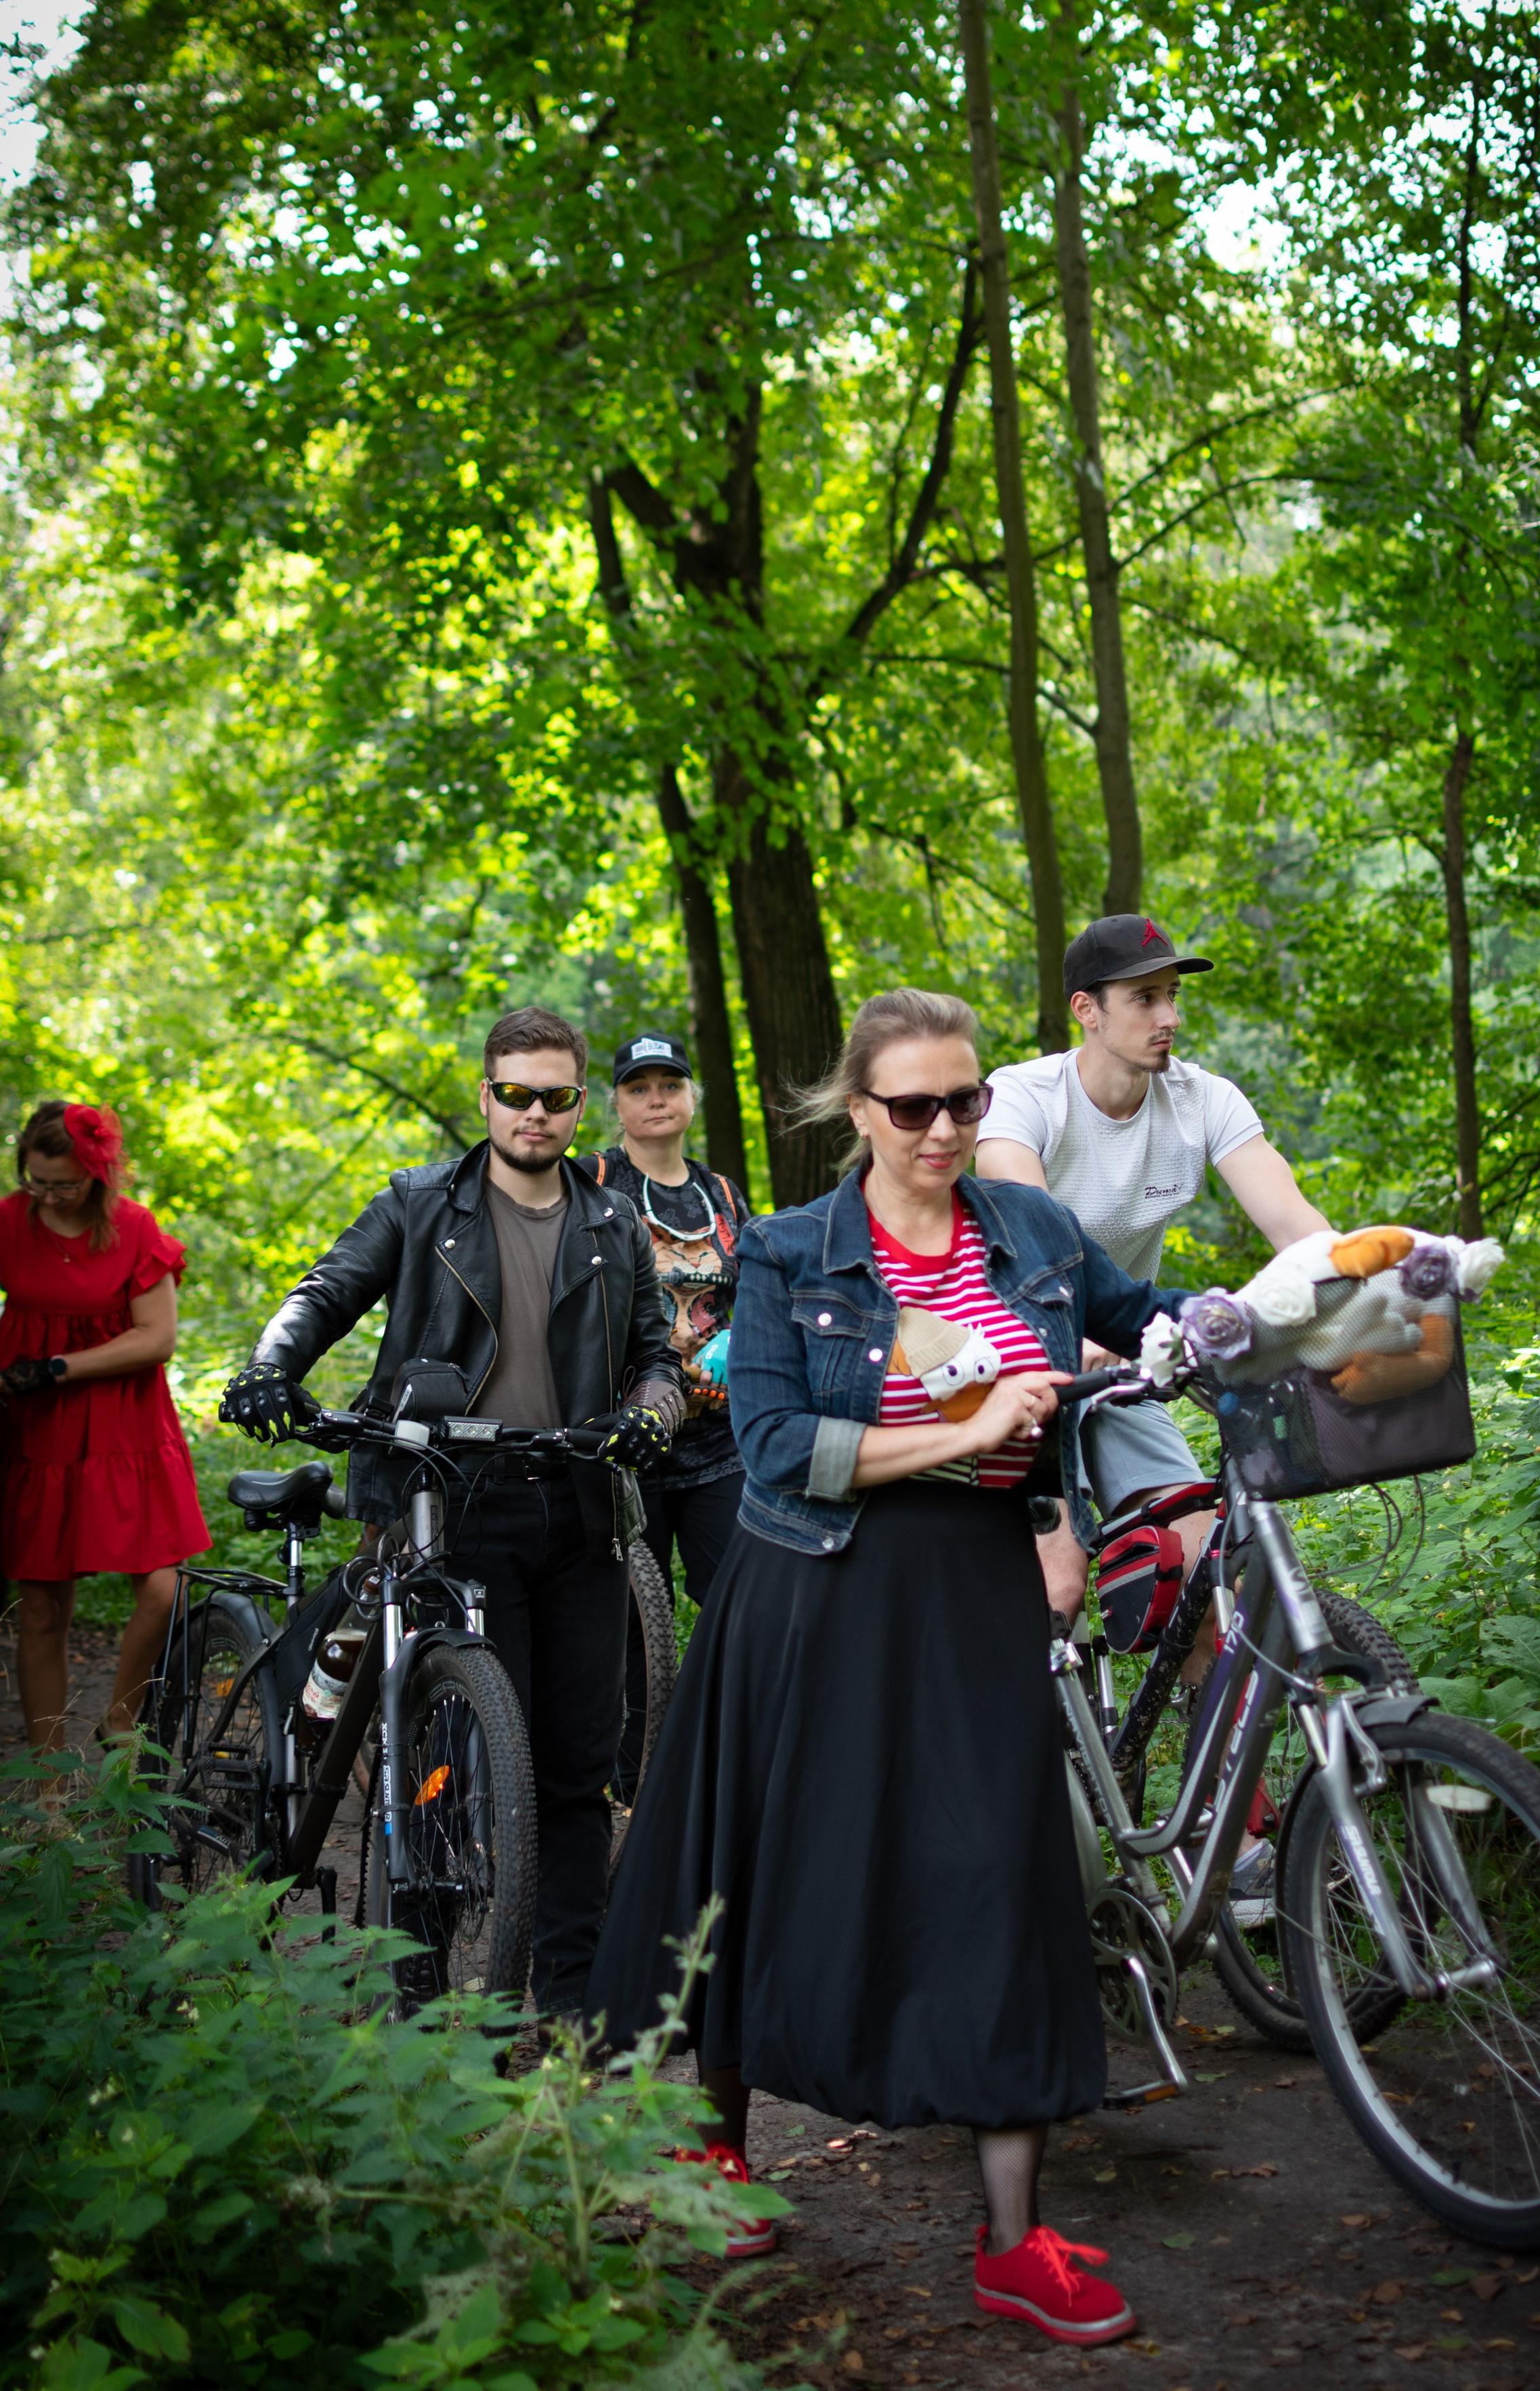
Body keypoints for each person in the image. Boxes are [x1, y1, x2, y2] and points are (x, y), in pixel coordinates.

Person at [589, 988, 1190, 2348]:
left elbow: (1134, 1314)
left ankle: (1010, 2237)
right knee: (762, 1866)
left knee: (998, 1879)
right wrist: (959, 1441)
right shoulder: (793, 1251)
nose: (942, 1129)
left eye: (965, 1101)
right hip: (815, 1588)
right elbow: (777, 1444)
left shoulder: (1030, 1227)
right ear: (857, 1112)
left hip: (972, 1601)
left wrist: (1262, 1309)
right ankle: (713, 2153)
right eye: (912, 1105)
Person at [220, 1006, 685, 2019]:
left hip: (577, 1508)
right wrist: (269, 1369)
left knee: (570, 1772)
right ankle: (431, 2007)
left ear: (577, 1105)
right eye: (515, 1094)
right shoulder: (421, 1203)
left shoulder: (614, 1223)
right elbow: (326, 1291)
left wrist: (652, 1413)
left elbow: (658, 1356)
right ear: (485, 1097)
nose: (536, 1114)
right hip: (447, 1507)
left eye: (557, 1097)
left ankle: (573, 2003)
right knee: (459, 1762)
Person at [977, 912, 1329, 1907]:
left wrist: (1356, 1286)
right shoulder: (1021, 1100)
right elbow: (1031, 1232)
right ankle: (1029, 1837)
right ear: (1086, 1011)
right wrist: (1084, 1333)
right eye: (1146, 998)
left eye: (1175, 996)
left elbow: (1292, 1221)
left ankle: (1237, 1826)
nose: (1169, 1016)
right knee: (1052, 1591)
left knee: (1212, 1564)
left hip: (1127, 1360)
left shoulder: (1201, 1098)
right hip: (1013, 1366)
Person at [0, 1101, 209, 1755]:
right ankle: (51, 1785)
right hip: (36, 1428)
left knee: (163, 1586)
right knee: (41, 1608)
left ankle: (119, 1718)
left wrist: (55, 1367)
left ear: (97, 1175)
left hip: (124, 1418)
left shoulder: (134, 1228)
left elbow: (157, 1338)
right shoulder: (3, 1222)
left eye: (64, 1184)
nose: (49, 1197)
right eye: (37, 1181)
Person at [590, 1032, 749, 1621]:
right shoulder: (593, 1180)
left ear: (693, 1096)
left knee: (738, 1605)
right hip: (626, 1441)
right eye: (639, 1088)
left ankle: (725, 1714)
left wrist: (740, 1338)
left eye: (670, 1085)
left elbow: (756, 1294)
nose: (656, 1098)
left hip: (719, 1441)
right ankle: (644, 1718)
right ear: (616, 1104)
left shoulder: (723, 1193)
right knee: (631, 1625)